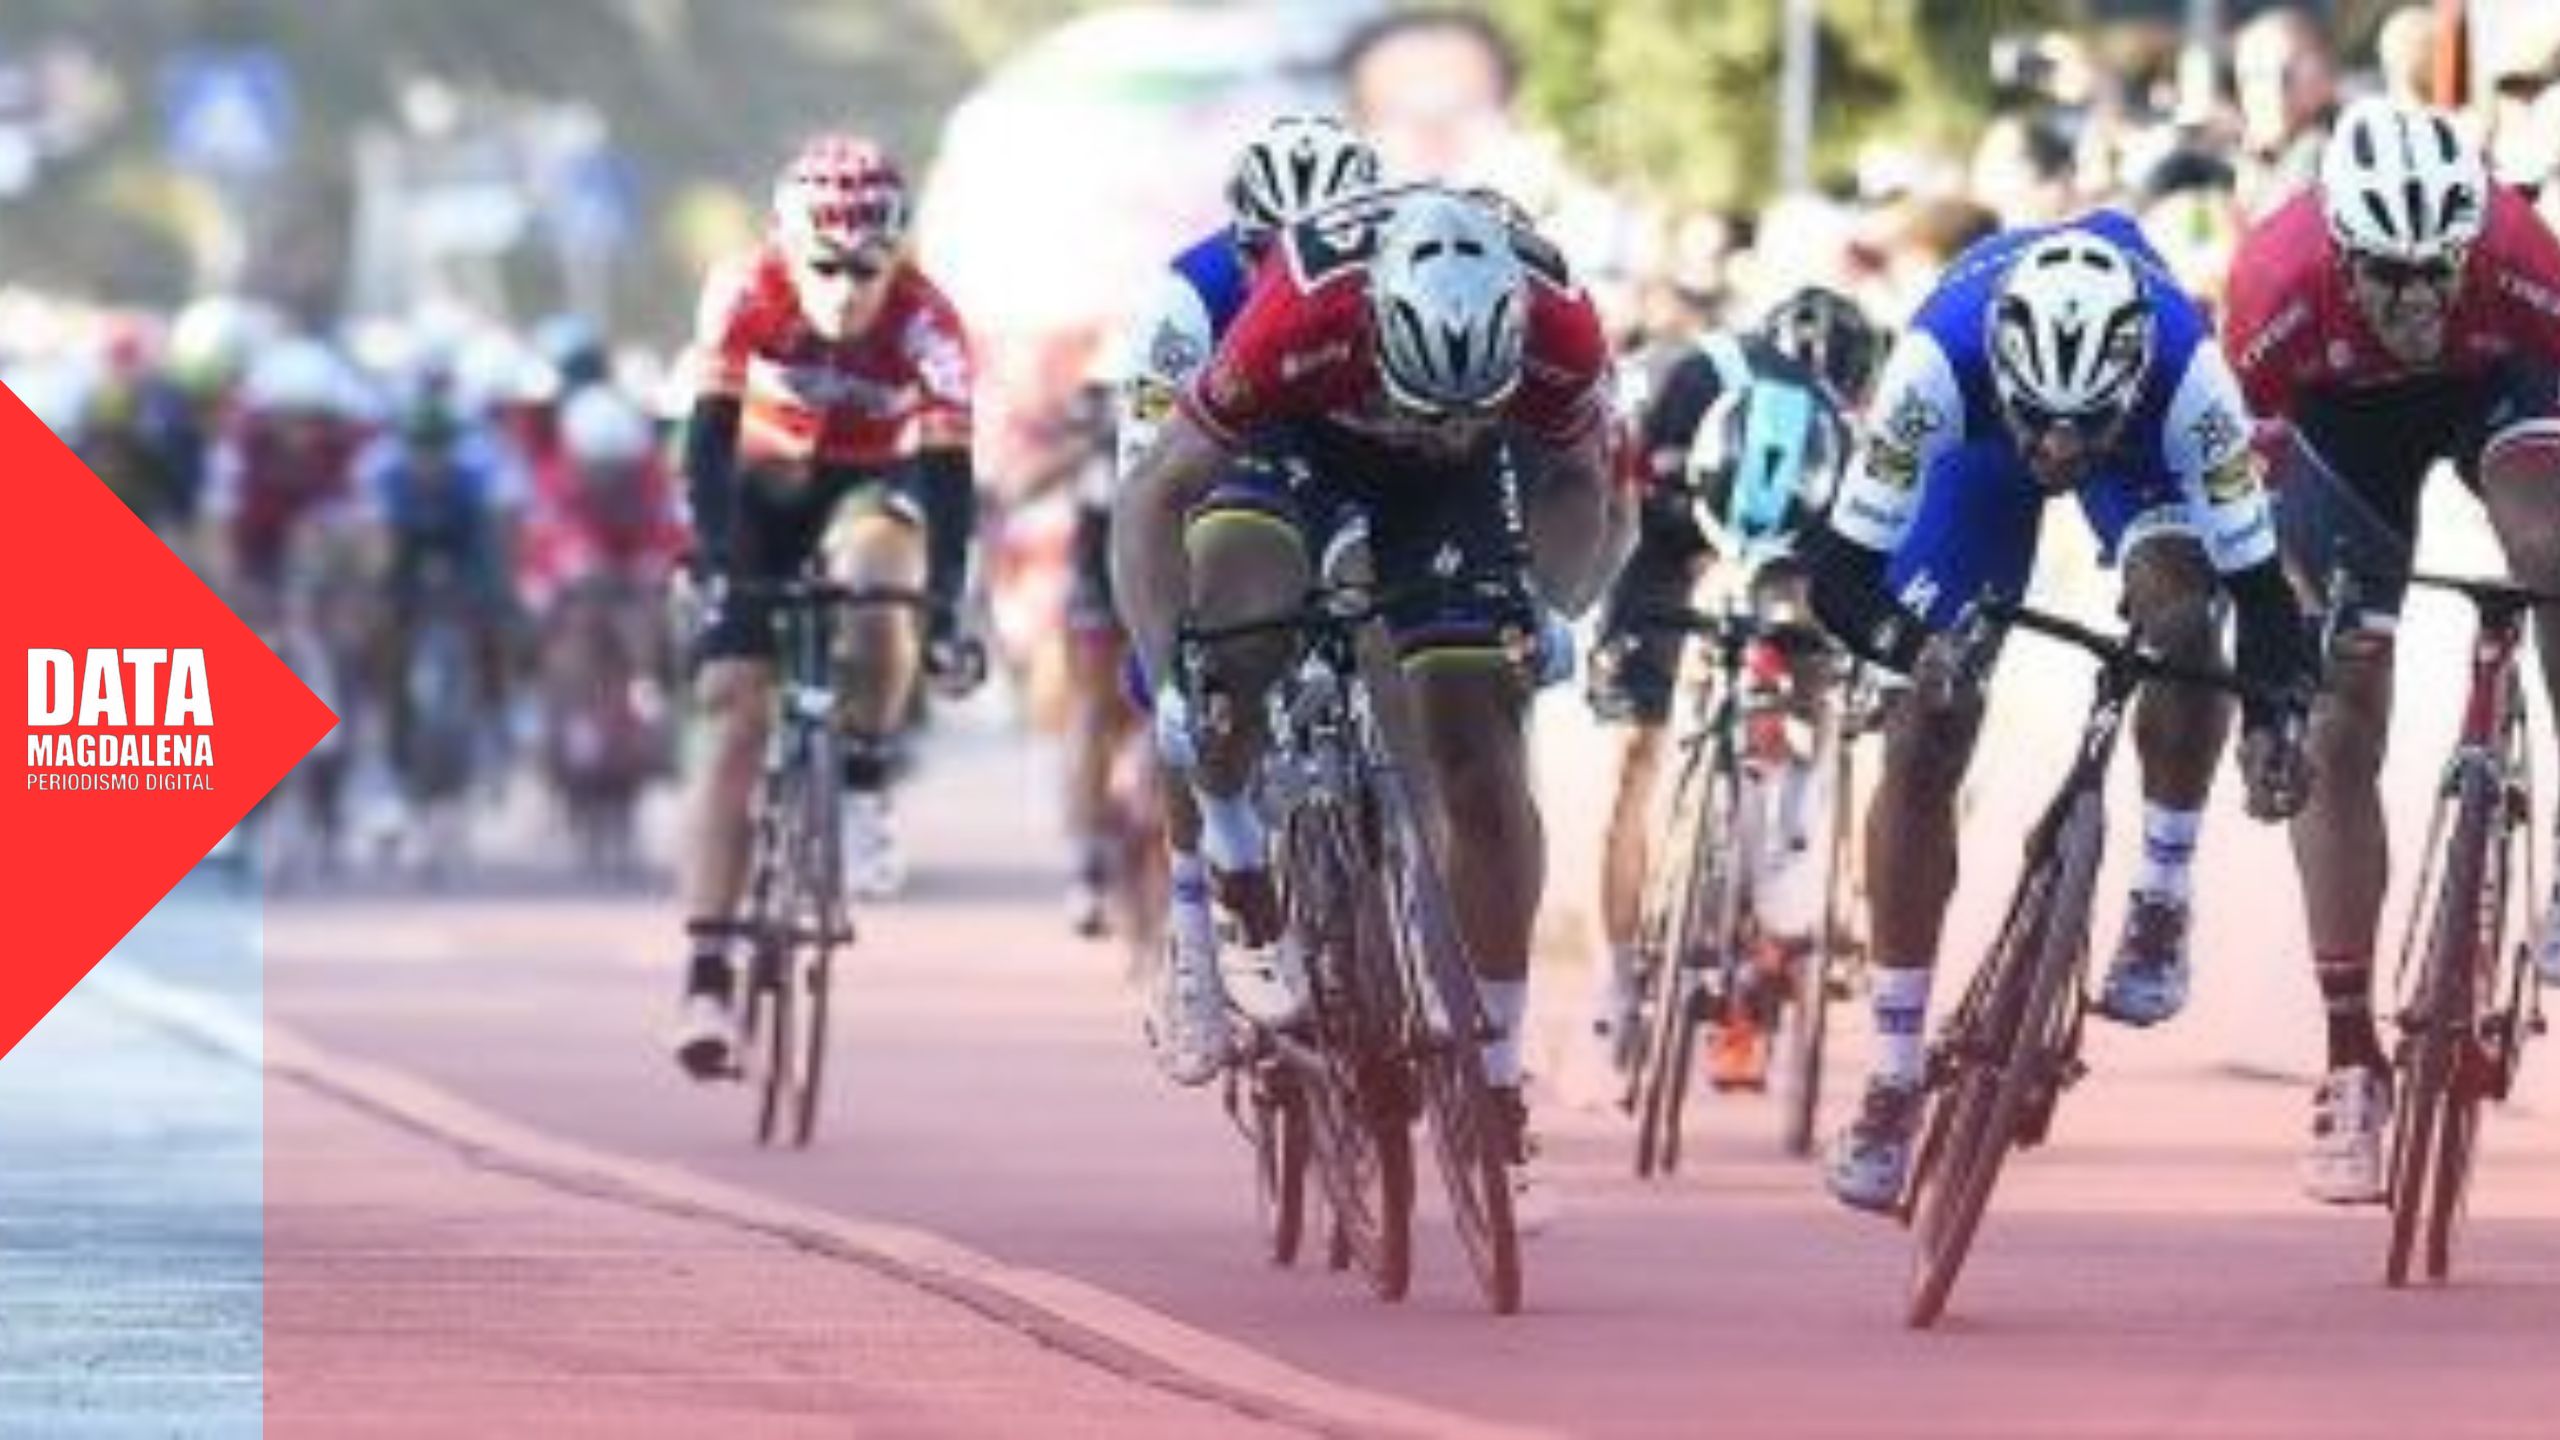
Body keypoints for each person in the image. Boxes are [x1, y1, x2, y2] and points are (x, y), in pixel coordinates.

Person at [1112, 184, 1632, 1216]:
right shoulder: (1296, 314)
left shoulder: (1561, 326)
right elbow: (1155, 497)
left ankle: (1494, 1085)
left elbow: (1585, 489)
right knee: (1240, 634)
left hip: (1465, 488)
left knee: (1478, 749)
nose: (1427, 428)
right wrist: (1172, 669)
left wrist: (1555, 603)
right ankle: (1244, 893)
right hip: (1293, 441)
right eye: (1418, 400)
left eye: (1460, 405)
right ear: (1377, 321)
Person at [1808, 212, 2318, 1213]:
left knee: (2181, 621)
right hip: (1970, 454)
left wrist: (2274, 726)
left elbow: (2264, 601)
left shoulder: (2188, 385)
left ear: (2125, 386)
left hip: (2144, 462)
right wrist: (1920, 653)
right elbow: (1838, 583)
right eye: (2039, 417)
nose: (2055, 445)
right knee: (1924, 733)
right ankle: (1892, 1074)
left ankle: (2162, 890)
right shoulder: (1933, 370)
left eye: (2078, 422)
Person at [2222, 98, 2560, 1204]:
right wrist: (2269, 684)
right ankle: (2347, 1060)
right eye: (2389, 275)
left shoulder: (2519, 260)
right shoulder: (2273, 285)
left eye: (2438, 272)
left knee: (2547, 545)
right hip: (2338, 428)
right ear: (2340, 251)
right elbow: (2242, 514)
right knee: (2336, 703)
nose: (2417, 299)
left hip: (2497, 392)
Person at [671, 133, 986, 1079]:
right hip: (763, 483)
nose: (847, 291)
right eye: (826, 266)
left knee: (882, 572)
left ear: (900, 254)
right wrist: (720, 563)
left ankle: (860, 783)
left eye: (867, 267)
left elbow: (948, 485)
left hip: (870, 480)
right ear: (785, 246)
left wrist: (943, 609)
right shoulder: (743, 290)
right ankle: (706, 976)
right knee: (732, 712)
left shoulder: (932, 324)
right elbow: (707, 449)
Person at [1101, 113, 1381, 1082]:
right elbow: (1149, 488)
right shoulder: (1190, 297)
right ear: (1243, 239)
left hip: (1356, 456)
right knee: (1208, 667)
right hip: (1228, 460)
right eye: (1274, 255)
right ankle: (1193, 925)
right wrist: (1167, 662)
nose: (1299, 279)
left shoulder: (1399, 270)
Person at [1585, 285, 1879, 1092]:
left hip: (1783, 553)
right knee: (1640, 750)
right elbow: (1614, 509)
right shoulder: (1671, 381)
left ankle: (1780, 880)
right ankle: (1619, 981)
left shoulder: (1845, 439)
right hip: (1662, 534)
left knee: (1808, 674)